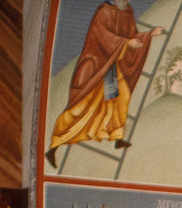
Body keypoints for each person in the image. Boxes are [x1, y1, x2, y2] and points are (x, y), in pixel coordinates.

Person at [46, 0, 159, 161]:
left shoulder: (127, 12)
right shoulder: (104, 12)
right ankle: (55, 144)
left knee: (122, 96)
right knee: (82, 107)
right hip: (96, 66)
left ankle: (117, 136)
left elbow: (132, 36)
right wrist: (127, 43)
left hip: (112, 65)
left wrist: (149, 34)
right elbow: (102, 37)